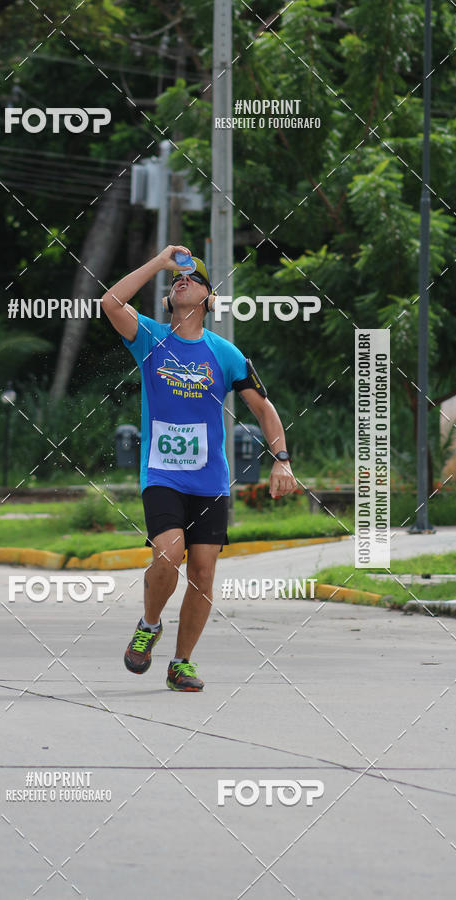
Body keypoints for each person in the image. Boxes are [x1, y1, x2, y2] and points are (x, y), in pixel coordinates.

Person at [101, 244, 297, 692]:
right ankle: (149, 624)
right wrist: (159, 262)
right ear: (169, 298)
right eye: (176, 281)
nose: (182, 281)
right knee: (168, 554)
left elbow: (264, 410)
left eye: (194, 279)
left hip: (209, 480)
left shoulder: (225, 353)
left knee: (204, 573)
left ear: (209, 300)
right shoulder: (150, 339)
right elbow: (110, 302)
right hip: (162, 474)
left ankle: (181, 663)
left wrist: (281, 459)